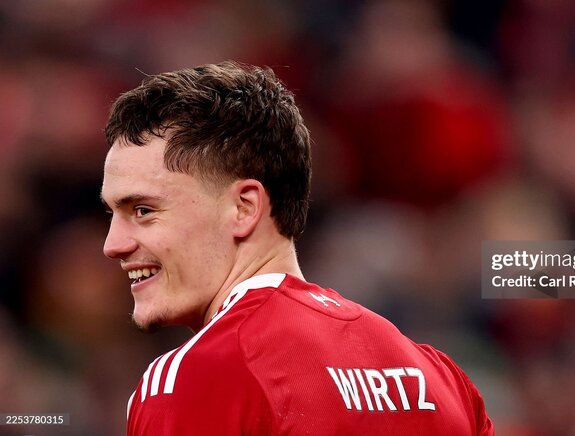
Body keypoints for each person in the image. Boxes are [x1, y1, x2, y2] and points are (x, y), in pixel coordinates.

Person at [101, 61, 494, 435]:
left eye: (143, 210)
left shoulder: (197, 379)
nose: (113, 245)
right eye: (112, 213)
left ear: (244, 208)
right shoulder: (441, 379)